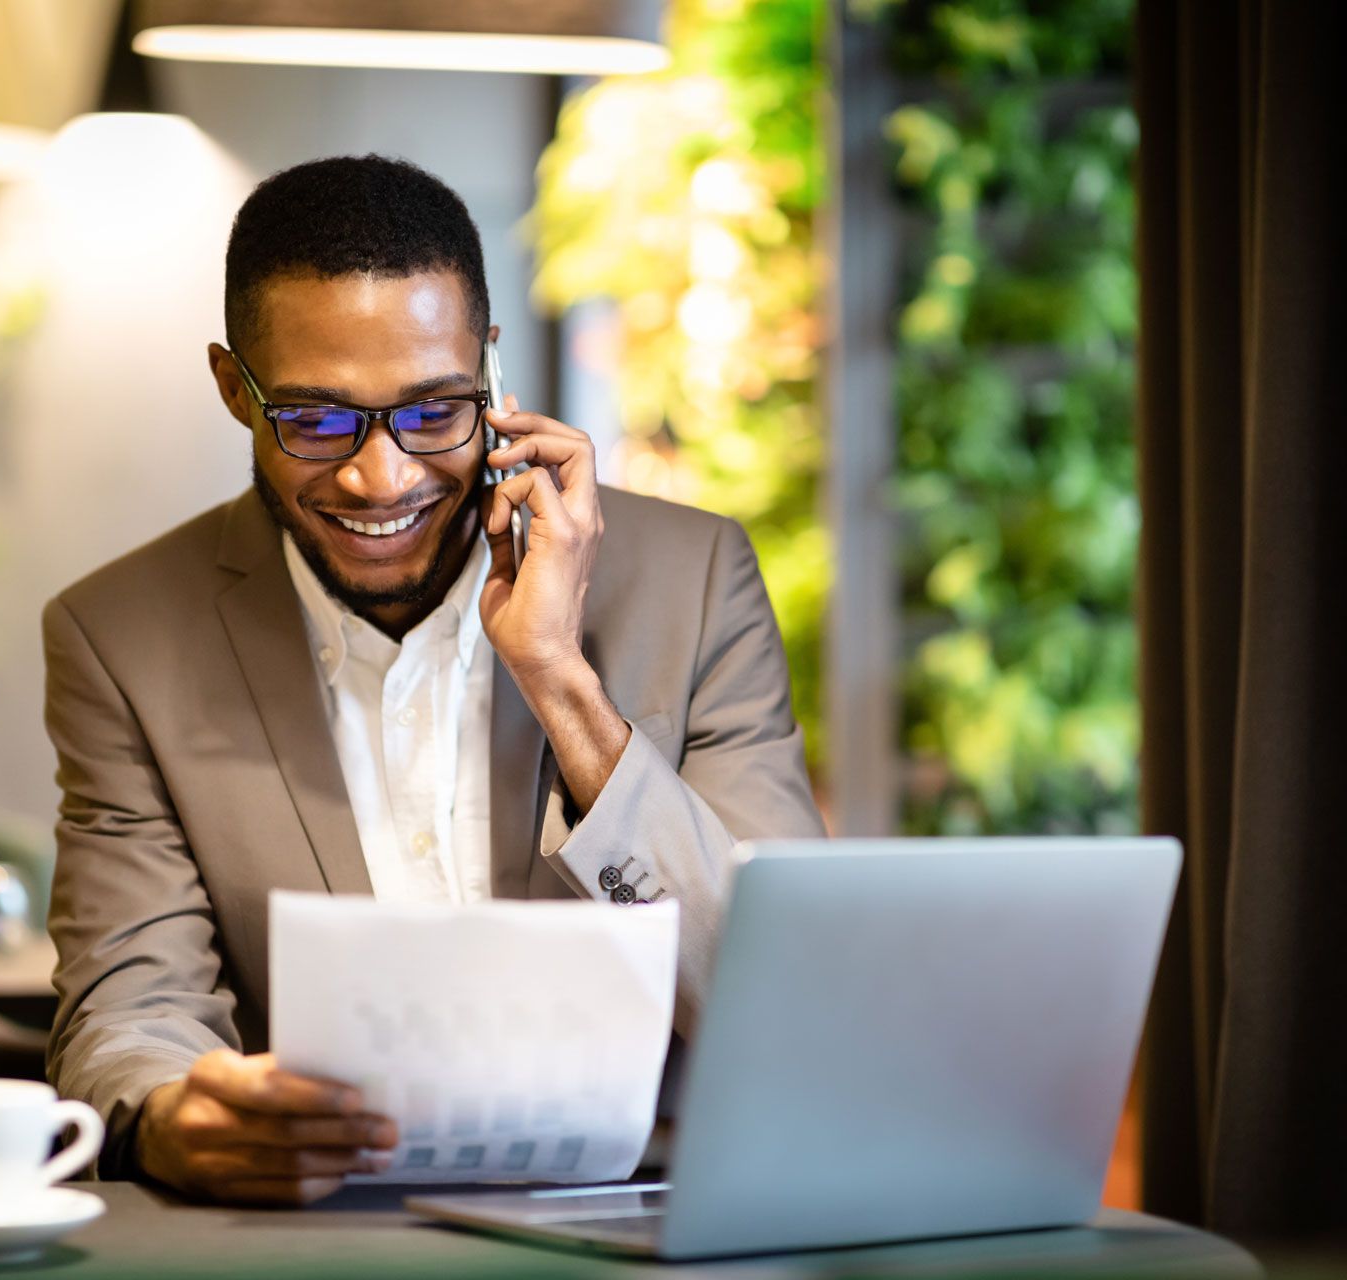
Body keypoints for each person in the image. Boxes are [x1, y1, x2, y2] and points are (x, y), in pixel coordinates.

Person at [42, 154, 823, 1205]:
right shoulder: (119, 636)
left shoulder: (694, 583)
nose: (383, 474)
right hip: (322, 1234)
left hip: (650, 1221)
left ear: (489, 372)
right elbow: (128, 1011)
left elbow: (787, 1002)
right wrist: (182, 1114)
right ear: (236, 388)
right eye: (316, 419)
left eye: (434, 411)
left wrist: (559, 680)